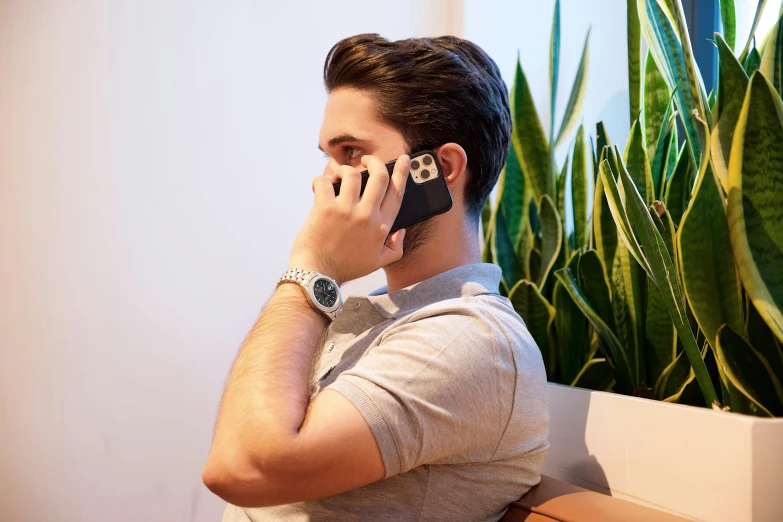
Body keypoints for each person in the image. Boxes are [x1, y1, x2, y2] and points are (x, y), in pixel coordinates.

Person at [202, 33, 549, 522]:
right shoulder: (378, 313)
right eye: (328, 153)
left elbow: (239, 468)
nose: (327, 180)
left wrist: (311, 270)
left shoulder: (469, 340)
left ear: (441, 169)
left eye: (349, 151)